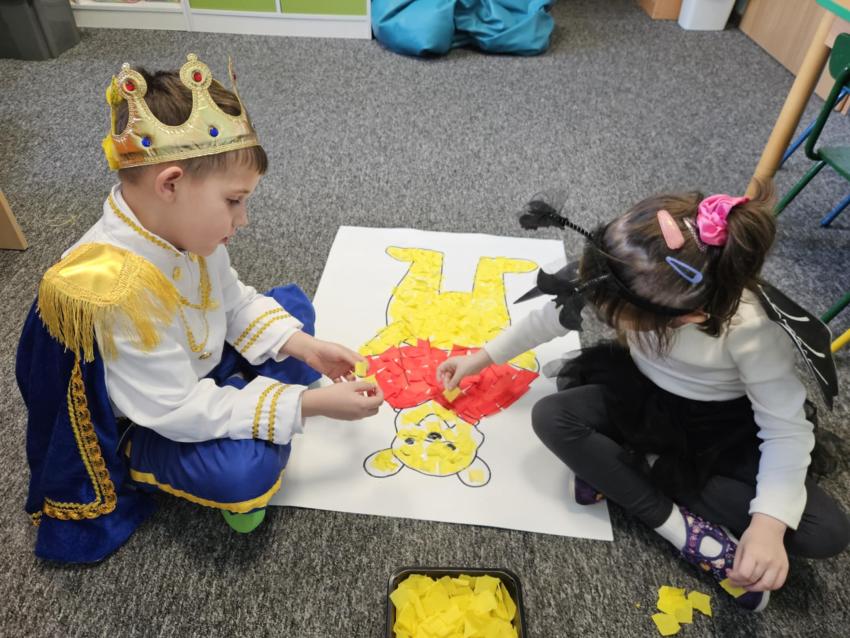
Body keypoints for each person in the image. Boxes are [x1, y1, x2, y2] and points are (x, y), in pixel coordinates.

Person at [16, 54, 383, 563]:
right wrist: (308, 406)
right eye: (234, 201)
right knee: (243, 474)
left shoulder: (180, 226)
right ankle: (139, 454)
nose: (244, 219)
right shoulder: (117, 291)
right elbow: (175, 409)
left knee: (296, 315)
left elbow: (231, 300)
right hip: (155, 414)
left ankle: (255, 395)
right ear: (170, 184)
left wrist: (306, 348)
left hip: (192, 364)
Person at [437, 185, 849, 611]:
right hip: (642, 398)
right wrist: (480, 359)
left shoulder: (752, 332)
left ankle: (630, 467)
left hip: (718, 431)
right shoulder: (628, 266)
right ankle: (682, 531)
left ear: (688, 318)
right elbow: (553, 316)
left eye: (619, 319)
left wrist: (768, 526)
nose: (604, 319)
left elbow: (785, 430)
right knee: (551, 416)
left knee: (825, 533)